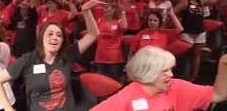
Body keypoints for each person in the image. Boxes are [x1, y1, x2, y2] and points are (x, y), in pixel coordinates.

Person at [0, 0, 103, 111]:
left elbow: (93, 34)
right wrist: (8, 108)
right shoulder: (29, 59)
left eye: (59, 35)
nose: (54, 37)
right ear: (42, 38)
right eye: (50, 34)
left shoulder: (67, 55)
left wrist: (86, 10)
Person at [91, 46, 227, 111]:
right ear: (149, 72)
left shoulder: (176, 87)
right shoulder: (128, 95)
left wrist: (223, 63)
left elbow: (218, 94)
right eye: (165, 71)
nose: (171, 75)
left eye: (171, 69)